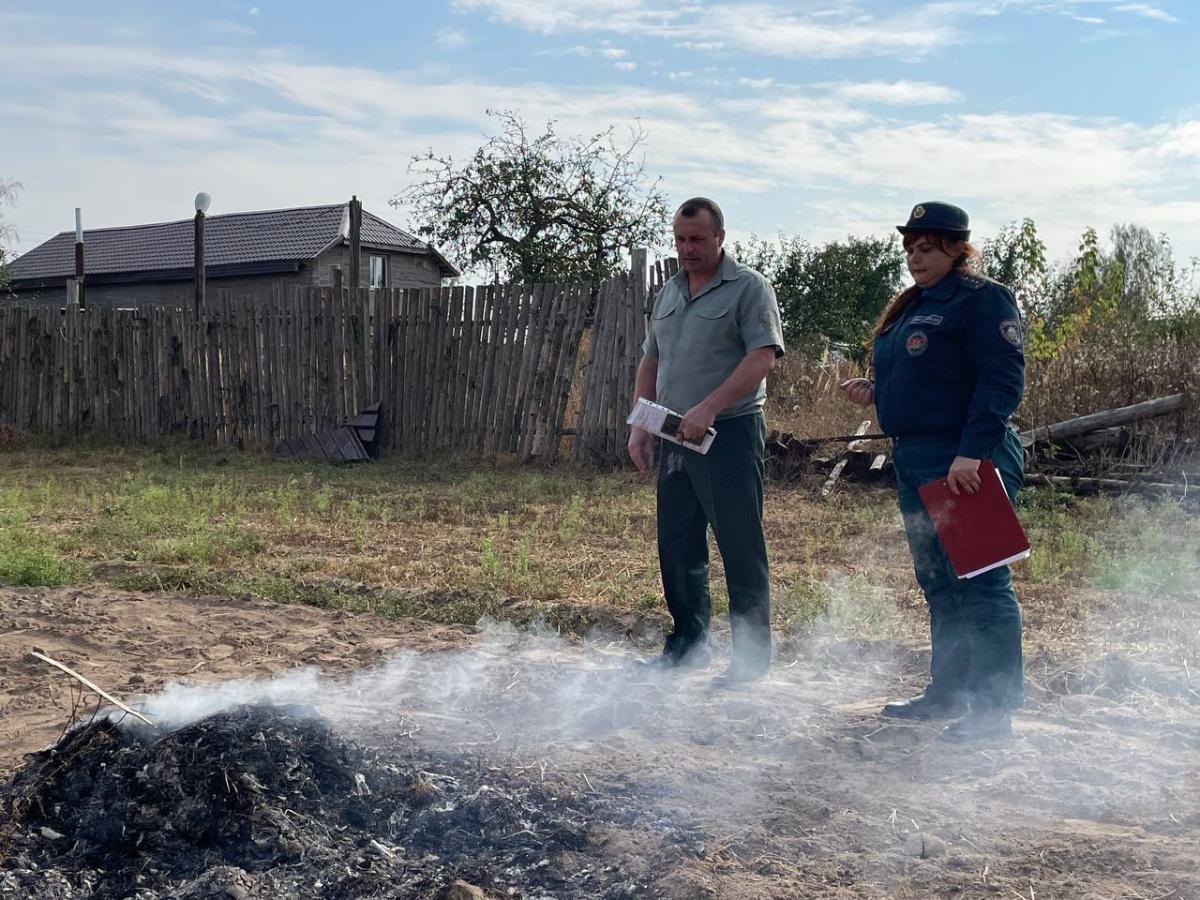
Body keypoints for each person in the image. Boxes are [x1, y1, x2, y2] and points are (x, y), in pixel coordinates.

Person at [840, 201, 1025, 740]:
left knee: (981, 580)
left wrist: (973, 451)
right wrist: (876, 393)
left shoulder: (982, 300)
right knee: (940, 582)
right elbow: (933, 380)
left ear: (956, 248)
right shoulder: (910, 308)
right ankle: (948, 692)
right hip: (915, 455)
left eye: (927, 248)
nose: (915, 258)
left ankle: (993, 712)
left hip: (964, 457)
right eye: (910, 249)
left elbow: (1001, 378)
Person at [628, 197, 785, 685]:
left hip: (729, 432)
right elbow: (651, 360)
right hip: (673, 433)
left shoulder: (748, 288)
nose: (686, 248)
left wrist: (710, 406)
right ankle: (688, 646)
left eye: (696, 239)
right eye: (679, 239)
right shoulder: (669, 292)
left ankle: (752, 659)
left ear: (720, 238)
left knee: (739, 545)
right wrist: (639, 422)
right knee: (677, 543)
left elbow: (762, 356)